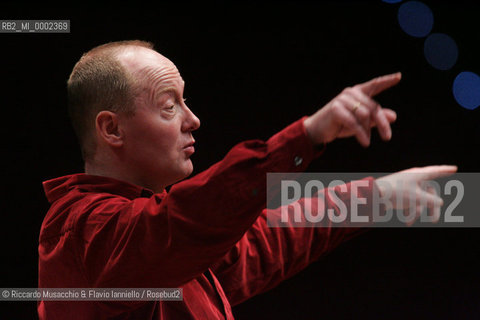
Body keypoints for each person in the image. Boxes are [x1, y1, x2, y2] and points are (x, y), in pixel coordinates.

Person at [38, 40, 456, 319]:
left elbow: (262, 241)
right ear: (111, 129)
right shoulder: (86, 230)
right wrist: (309, 134)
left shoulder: (158, 246)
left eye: (187, 102)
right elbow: (191, 217)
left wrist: (376, 197)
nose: (193, 120)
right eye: (169, 106)